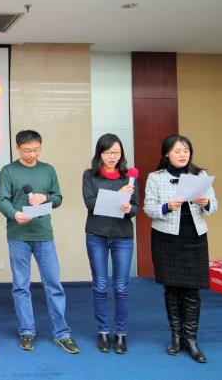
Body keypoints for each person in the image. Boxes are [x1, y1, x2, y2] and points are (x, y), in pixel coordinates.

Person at [0, 130, 80, 355]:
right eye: (27, 151)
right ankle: (27, 331)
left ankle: (62, 333)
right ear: (17, 148)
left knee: (53, 284)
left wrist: (46, 198)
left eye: (36, 150)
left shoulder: (48, 170)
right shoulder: (8, 171)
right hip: (18, 235)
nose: (32, 154)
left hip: (44, 235)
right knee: (21, 286)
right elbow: (2, 200)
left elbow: (58, 198)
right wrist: (15, 214)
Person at [144, 135, 218, 364]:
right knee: (172, 289)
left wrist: (206, 203)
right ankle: (176, 337)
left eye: (186, 150)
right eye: (177, 151)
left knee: (192, 290)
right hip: (166, 237)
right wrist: (167, 206)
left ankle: (191, 339)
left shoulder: (200, 175)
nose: (183, 154)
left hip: (195, 236)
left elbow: (214, 205)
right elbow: (149, 208)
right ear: (167, 154)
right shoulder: (155, 177)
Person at [81, 133, 138, 354]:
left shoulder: (129, 177)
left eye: (116, 152)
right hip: (97, 234)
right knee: (100, 285)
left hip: (123, 235)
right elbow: (90, 203)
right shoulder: (89, 175)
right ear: (100, 154)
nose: (112, 157)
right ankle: (103, 331)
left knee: (122, 287)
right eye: (107, 152)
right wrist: (118, 195)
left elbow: (135, 207)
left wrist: (129, 208)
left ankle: (121, 333)